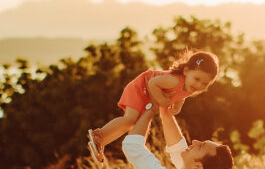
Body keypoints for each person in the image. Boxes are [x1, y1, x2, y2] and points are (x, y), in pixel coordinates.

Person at [87, 51, 219, 163]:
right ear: (186, 71)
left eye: (205, 83)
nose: (199, 85)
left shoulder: (191, 87)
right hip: (140, 87)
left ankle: (101, 142)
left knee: (132, 124)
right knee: (130, 119)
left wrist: (178, 106)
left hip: (147, 94)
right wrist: (162, 100)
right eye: (197, 79)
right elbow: (153, 83)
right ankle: (99, 134)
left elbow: (181, 95)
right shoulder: (175, 80)